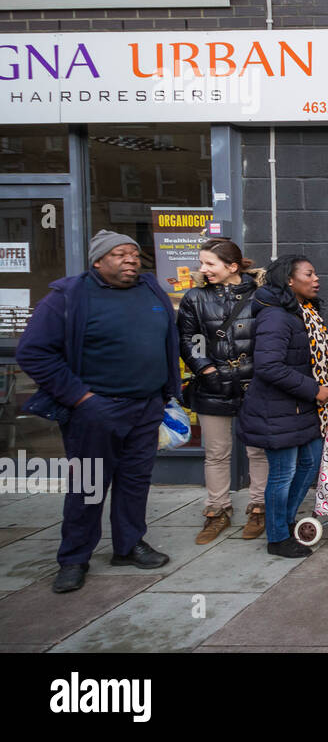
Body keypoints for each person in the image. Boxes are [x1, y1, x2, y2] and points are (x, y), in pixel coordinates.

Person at [16, 230, 180, 594]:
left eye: (135, 254)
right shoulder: (68, 297)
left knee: (135, 483)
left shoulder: (151, 290)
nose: (131, 260)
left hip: (146, 405)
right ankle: (74, 558)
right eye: (120, 254)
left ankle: (128, 545)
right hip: (95, 411)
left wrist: (166, 392)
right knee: (88, 487)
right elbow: (32, 352)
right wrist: (82, 398)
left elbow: (166, 340)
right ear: (98, 261)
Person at [237, 254, 328, 558]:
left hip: (302, 408)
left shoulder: (303, 312)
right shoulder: (276, 316)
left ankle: (284, 521)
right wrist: (315, 390)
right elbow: (269, 367)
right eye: (309, 274)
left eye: (315, 274)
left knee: (309, 463)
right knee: (282, 474)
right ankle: (278, 537)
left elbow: (313, 347)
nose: (316, 279)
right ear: (289, 280)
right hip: (279, 410)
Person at [178, 239, 266, 544]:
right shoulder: (194, 298)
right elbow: (186, 339)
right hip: (212, 385)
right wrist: (205, 369)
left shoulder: (261, 295)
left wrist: (264, 373)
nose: (202, 269)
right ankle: (217, 510)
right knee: (216, 453)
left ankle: (259, 507)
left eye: (209, 264)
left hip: (255, 383)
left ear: (231, 267)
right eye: (201, 263)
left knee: (258, 449)